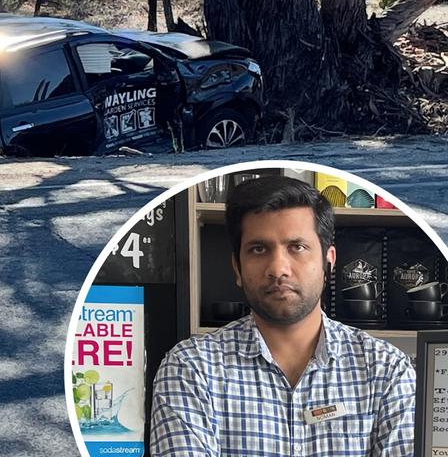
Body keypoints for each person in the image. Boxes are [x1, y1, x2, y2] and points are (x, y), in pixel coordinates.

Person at [150, 175, 414, 456]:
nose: (278, 268)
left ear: (328, 261)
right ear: (237, 268)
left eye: (297, 247)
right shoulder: (191, 368)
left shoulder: (386, 370)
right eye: (259, 249)